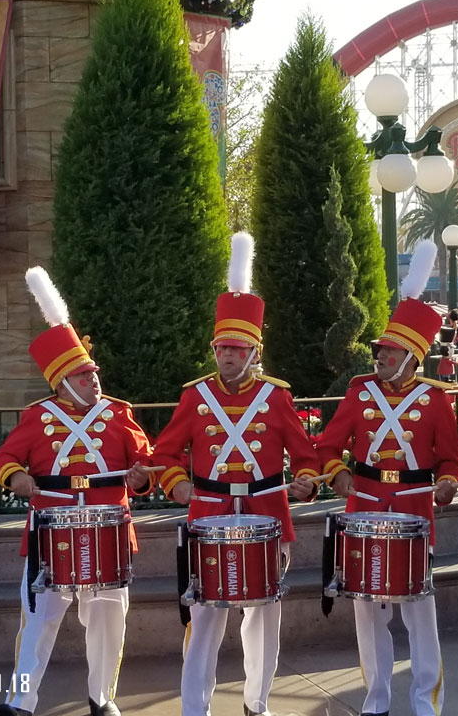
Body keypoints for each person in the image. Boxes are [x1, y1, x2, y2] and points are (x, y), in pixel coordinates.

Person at [152, 233, 322, 716]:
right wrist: (177, 484)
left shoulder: (276, 397)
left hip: (268, 512)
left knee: (264, 617)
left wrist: (308, 479)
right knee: (204, 618)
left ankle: (256, 703)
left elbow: (305, 454)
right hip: (209, 514)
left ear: (254, 352)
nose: (225, 355)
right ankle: (194, 708)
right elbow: (165, 455)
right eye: (221, 347)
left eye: (235, 348)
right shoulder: (195, 397)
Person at [0, 268, 154, 716]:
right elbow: (1, 459)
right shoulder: (36, 417)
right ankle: (20, 702)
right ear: (61, 382)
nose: (93, 381)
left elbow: (144, 458)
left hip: (107, 529)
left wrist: (141, 476)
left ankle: (103, 699)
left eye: (94, 374)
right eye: (83, 376)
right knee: (39, 621)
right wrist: (17, 479)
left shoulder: (119, 413)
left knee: (107, 621)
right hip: (50, 532)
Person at [316, 241, 458, 716]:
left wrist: (447, 483)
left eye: (389, 350)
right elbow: (326, 445)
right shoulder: (360, 395)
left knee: (421, 613)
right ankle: (376, 701)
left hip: (416, 510)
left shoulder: (436, 399)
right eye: (379, 349)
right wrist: (337, 473)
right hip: (365, 504)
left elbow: (450, 458)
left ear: (412, 356)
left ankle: (426, 704)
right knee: (368, 611)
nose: (379, 355)